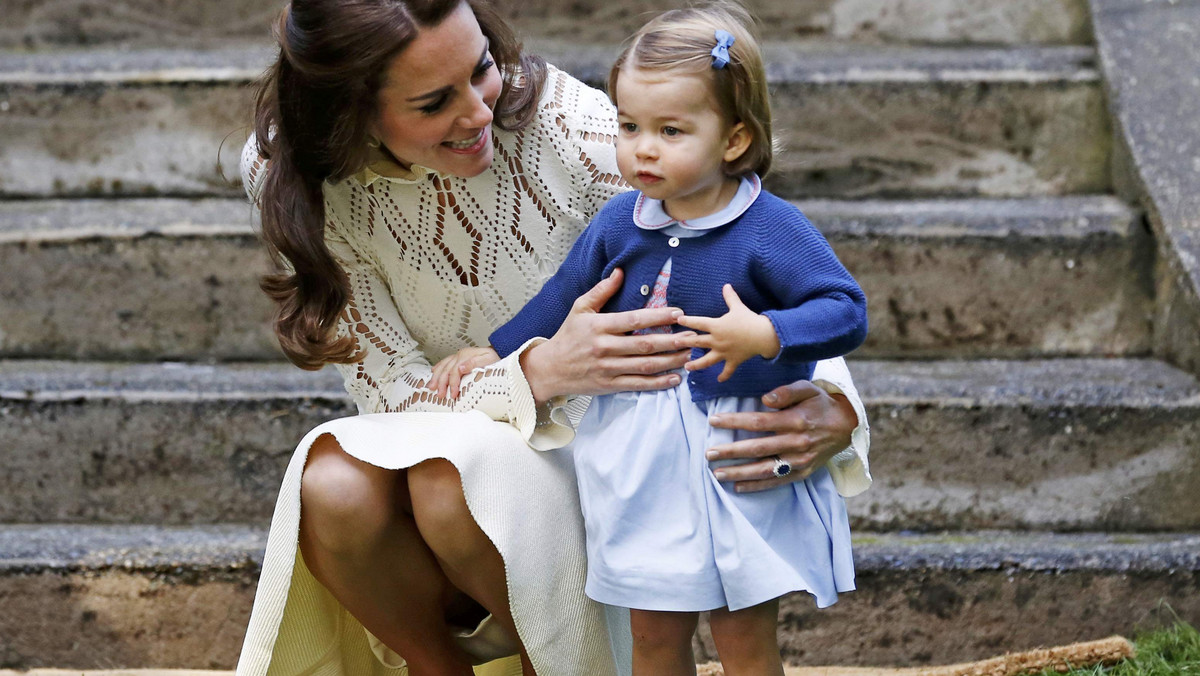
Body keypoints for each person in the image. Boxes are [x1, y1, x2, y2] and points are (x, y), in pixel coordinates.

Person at [235, 0, 872, 674]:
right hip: (459, 437)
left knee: (450, 483)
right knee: (334, 482)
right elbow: (392, 398)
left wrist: (835, 404)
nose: (480, 111)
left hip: (613, 444)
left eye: (481, 67)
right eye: (433, 103)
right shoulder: (290, 170)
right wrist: (534, 371)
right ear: (346, 115)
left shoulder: (572, 124)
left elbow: (738, 253)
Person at [433, 4, 867, 674]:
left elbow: (844, 308)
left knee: (742, 635)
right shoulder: (620, 221)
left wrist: (769, 331)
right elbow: (563, 297)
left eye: (671, 130)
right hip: (639, 457)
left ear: (733, 139)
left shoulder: (769, 228)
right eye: (630, 126)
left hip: (735, 449)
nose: (643, 147)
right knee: (654, 635)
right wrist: (499, 348)